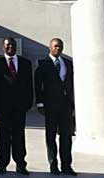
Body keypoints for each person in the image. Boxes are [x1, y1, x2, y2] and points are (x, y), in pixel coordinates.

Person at [0, 38, 33, 175]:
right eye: (8, 45)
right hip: (3, 108)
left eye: (13, 45)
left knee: (19, 137)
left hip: (20, 107)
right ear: (3, 47)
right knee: (3, 137)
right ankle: (2, 164)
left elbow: (29, 85)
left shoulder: (26, 63)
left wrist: (28, 103)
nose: (10, 48)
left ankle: (21, 164)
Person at [34, 38, 76, 176]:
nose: (58, 49)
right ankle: (53, 165)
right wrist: (40, 103)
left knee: (66, 137)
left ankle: (66, 166)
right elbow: (38, 86)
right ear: (50, 47)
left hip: (66, 107)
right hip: (50, 106)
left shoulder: (68, 64)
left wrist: (74, 105)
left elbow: (72, 85)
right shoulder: (43, 64)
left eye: (60, 46)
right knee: (51, 137)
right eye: (56, 46)